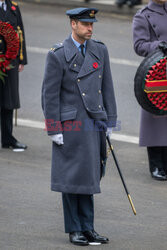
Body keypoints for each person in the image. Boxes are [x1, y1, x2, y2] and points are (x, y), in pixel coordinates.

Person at [42, 7, 117, 246]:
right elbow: (50, 96)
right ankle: (75, 228)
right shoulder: (57, 54)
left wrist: (111, 120)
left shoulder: (99, 50)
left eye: (92, 24)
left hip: (94, 123)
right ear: (73, 24)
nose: (90, 28)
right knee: (71, 179)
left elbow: (107, 88)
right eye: (85, 24)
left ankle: (88, 227)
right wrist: (54, 128)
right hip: (70, 125)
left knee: (89, 177)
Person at [133, 0, 167, 180]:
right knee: (156, 119)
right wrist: (158, 45)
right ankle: (156, 165)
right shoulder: (143, 15)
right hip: (157, 71)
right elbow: (139, 45)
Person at [0, 0, 27, 150]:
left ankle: (8, 138)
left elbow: (20, 32)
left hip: (10, 61)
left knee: (8, 102)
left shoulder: (13, 7)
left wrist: (21, 59)